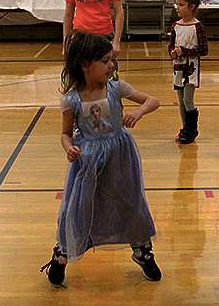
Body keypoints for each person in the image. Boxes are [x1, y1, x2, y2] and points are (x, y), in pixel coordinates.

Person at [41, 32, 161, 286]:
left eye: (112, 60)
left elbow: (153, 100)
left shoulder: (117, 88)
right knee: (78, 207)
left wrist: (138, 112)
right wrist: (69, 148)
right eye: (105, 61)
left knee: (130, 201)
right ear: (86, 64)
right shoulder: (71, 99)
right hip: (88, 161)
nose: (111, 66)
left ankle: (141, 249)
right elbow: (64, 134)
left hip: (120, 155)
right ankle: (62, 252)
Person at [169, 0, 208, 144]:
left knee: (188, 100)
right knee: (181, 101)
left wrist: (185, 51)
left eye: (181, 4)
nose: (177, 7)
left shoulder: (197, 27)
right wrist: (172, 52)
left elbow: (203, 50)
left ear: (191, 7)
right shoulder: (176, 25)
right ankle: (185, 128)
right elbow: (171, 44)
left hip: (190, 70)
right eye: (177, 4)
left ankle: (191, 130)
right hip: (177, 69)